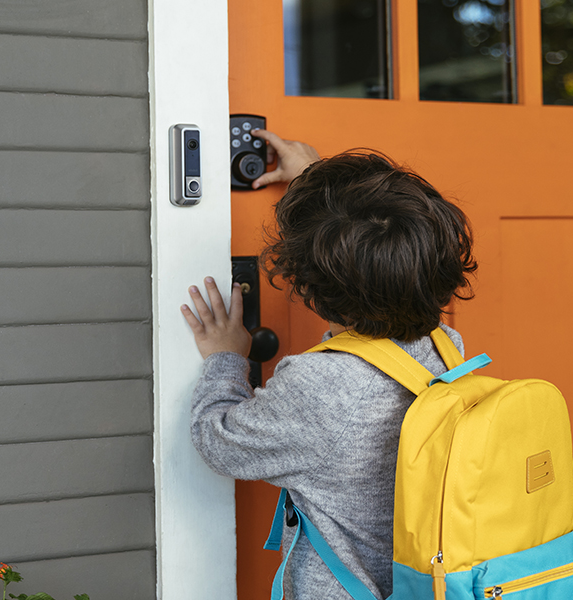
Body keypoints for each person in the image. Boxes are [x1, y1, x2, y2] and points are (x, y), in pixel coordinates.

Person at [180, 130, 477, 600]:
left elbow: (220, 443)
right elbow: (392, 235)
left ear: (310, 293)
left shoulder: (321, 386)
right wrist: (318, 187)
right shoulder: (442, 345)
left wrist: (225, 357)